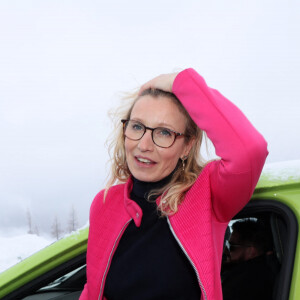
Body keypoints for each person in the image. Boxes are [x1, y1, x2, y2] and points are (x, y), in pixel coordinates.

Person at [79, 68, 268, 300]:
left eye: (164, 133)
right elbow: (93, 291)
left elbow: (249, 151)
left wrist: (181, 82)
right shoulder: (105, 203)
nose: (144, 145)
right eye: (137, 126)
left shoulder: (208, 195)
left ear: (187, 146)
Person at [222, 219, 277, 300]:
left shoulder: (243, 280)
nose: (227, 251)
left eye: (232, 247)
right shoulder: (265, 270)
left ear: (251, 251)